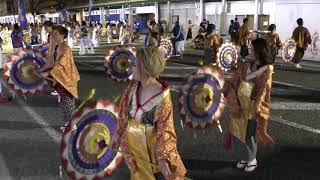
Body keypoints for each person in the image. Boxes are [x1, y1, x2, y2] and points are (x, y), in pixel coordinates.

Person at [109, 47, 186, 180]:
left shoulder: (163, 99)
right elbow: (123, 114)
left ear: (145, 67)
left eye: (134, 64)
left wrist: (162, 158)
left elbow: (165, 131)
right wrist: (117, 133)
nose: (130, 67)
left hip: (152, 154)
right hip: (134, 149)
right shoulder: (132, 88)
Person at [224, 38, 274, 173]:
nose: (249, 51)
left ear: (259, 52)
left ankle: (252, 159)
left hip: (253, 105)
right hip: (240, 103)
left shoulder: (267, 69)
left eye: (252, 49)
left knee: (249, 133)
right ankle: (244, 157)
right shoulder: (245, 65)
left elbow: (263, 90)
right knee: (238, 131)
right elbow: (235, 80)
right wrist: (224, 88)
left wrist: (255, 106)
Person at [38, 25, 80, 129]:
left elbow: (61, 64)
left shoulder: (66, 48)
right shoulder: (57, 47)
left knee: (68, 100)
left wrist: (47, 73)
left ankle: (72, 124)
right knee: (64, 100)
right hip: (60, 77)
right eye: (53, 34)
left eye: (56, 34)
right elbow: (50, 62)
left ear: (62, 35)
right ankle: (68, 123)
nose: (54, 36)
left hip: (67, 78)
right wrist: (40, 70)